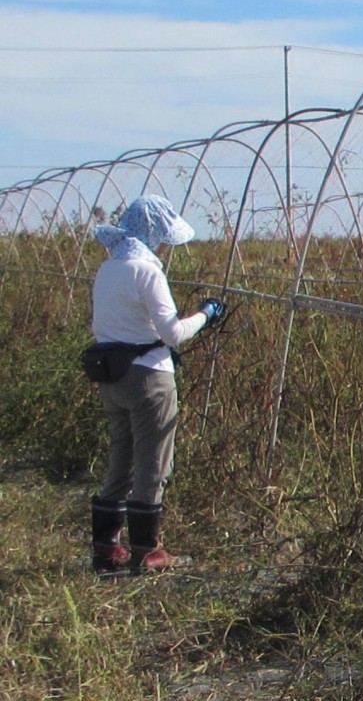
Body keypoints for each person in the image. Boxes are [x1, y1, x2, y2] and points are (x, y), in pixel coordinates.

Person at [89, 195, 224, 575]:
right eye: (163, 238)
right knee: (153, 464)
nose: (165, 246)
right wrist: (206, 314)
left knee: (121, 459)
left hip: (112, 377)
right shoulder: (147, 271)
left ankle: (106, 547)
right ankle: (148, 551)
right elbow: (172, 333)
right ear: (152, 235)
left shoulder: (108, 269)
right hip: (149, 378)